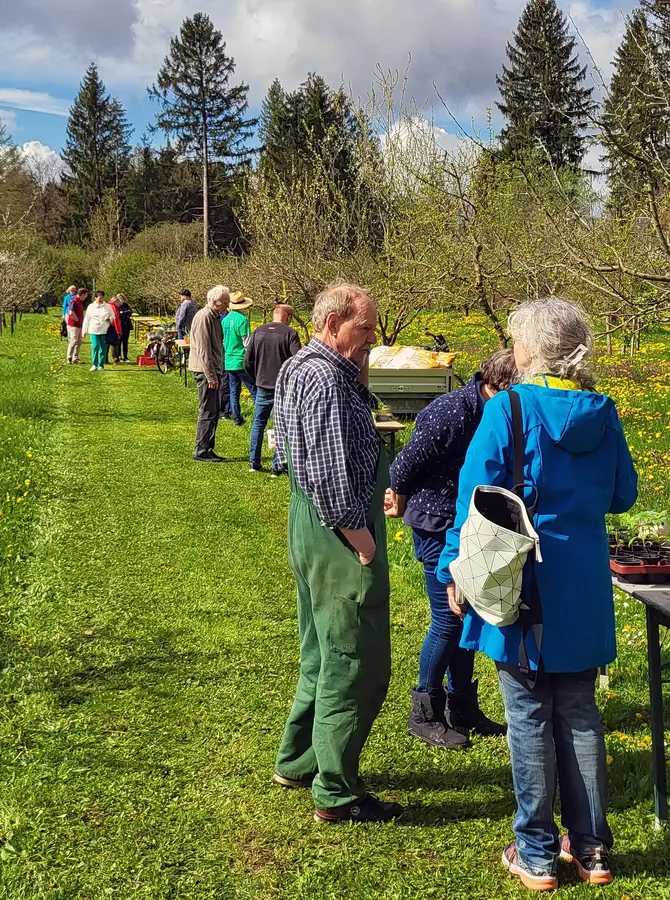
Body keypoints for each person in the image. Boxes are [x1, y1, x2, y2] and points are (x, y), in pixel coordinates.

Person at [437, 297, 638, 891]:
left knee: (527, 715)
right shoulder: (604, 413)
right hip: (582, 589)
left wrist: (455, 570)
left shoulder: (509, 410)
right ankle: (594, 851)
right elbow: (622, 495)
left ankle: (537, 853)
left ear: (527, 350)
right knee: (579, 714)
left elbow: (474, 503)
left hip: (522, 586)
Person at [270, 282, 403, 825]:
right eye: (364, 328)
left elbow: (289, 449)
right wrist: (360, 536)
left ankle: (297, 760)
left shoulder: (304, 365)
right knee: (355, 660)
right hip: (337, 529)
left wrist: (363, 364)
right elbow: (328, 472)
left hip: (308, 526)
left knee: (320, 652)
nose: (372, 337)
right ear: (331, 323)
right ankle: (337, 791)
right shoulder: (326, 378)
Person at [385, 350, 517, 750]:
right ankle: (424, 711)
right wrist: (400, 498)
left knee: (469, 613)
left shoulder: (495, 411)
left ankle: (462, 706)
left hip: (469, 523)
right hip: (436, 520)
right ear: (497, 387)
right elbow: (404, 465)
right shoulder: (453, 411)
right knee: (449, 616)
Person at [243, 303, 301, 475]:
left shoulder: (258, 331)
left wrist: (256, 378)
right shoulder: (290, 334)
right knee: (280, 426)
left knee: (258, 424)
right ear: (288, 317)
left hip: (262, 385)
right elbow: (298, 360)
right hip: (282, 389)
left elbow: (247, 361)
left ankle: (254, 462)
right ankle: (277, 466)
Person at [187, 285, 230, 460]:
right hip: (205, 371)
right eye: (224, 303)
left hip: (212, 370)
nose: (227, 307)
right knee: (207, 411)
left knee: (213, 410)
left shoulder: (214, 316)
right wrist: (211, 376)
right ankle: (201, 450)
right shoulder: (204, 317)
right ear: (214, 302)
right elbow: (204, 350)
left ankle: (208, 448)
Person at [221, 292, 255, 425]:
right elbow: (247, 342)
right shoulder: (242, 320)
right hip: (241, 360)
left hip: (229, 360)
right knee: (254, 390)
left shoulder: (225, 319)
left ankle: (236, 418)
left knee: (234, 391)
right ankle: (261, 417)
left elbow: (223, 341)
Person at [82, 291, 115, 371]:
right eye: (99, 298)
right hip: (93, 330)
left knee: (103, 348)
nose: (100, 299)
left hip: (104, 330)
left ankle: (101, 365)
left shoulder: (108, 306)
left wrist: (109, 319)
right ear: (95, 298)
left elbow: (113, 316)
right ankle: (94, 364)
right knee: (95, 346)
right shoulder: (91, 306)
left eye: (102, 298)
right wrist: (84, 330)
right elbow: (87, 319)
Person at [65, 287, 88, 365]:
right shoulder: (74, 301)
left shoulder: (80, 302)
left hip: (80, 325)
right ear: (82, 294)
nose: (85, 297)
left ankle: (75, 358)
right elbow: (71, 312)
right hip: (74, 325)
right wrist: (77, 320)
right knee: (73, 341)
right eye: (85, 295)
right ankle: (69, 358)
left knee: (79, 342)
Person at [115, 297, 135, 362]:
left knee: (125, 342)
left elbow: (130, 311)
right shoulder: (116, 306)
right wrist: (124, 313)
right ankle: (119, 356)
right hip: (120, 326)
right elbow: (118, 315)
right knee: (119, 342)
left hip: (126, 326)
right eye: (119, 299)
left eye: (122, 299)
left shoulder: (126, 305)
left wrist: (123, 312)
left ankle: (125, 356)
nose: (121, 301)